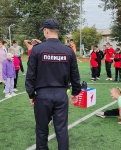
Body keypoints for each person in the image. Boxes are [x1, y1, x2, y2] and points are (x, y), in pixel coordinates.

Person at [25, 19, 81, 150]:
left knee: (41, 130)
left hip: (42, 96)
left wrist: (31, 94)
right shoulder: (68, 51)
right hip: (61, 95)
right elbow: (75, 75)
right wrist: (75, 93)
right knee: (61, 130)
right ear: (58, 31)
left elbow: (30, 75)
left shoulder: (37, 50)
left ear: (46, 31)